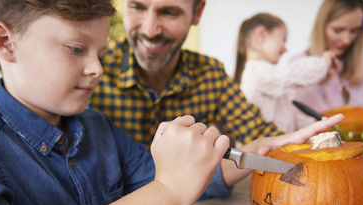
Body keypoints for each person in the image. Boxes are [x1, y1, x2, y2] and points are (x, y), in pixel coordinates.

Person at [0, 0, 344, 205]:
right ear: (6, 43)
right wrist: (167, 193)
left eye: (101, 52)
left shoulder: (99, 128)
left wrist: (266, 149)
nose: (98, 68)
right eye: (77, 49)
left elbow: (187, 177)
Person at [89, 0, 285, 151]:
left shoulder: (210, 74)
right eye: (137, 7)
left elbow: (259, 134)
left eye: (169, 12)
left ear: (197, 13)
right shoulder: (93, 68)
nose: (150, 30)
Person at [294, 0, 363, 123]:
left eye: (354, 31)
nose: (347, 40)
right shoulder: (299, 67)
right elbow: (302, 122)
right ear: (322, 26)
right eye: (338, 30)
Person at [234, 13, 339, 132]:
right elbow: (291, 74)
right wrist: (323, 62)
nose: (285, 48)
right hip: (259, 149)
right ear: (261, 34)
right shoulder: (255, 72)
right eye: (283, 39)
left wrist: (317, 128)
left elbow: (290, 116)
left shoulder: (271, 80)